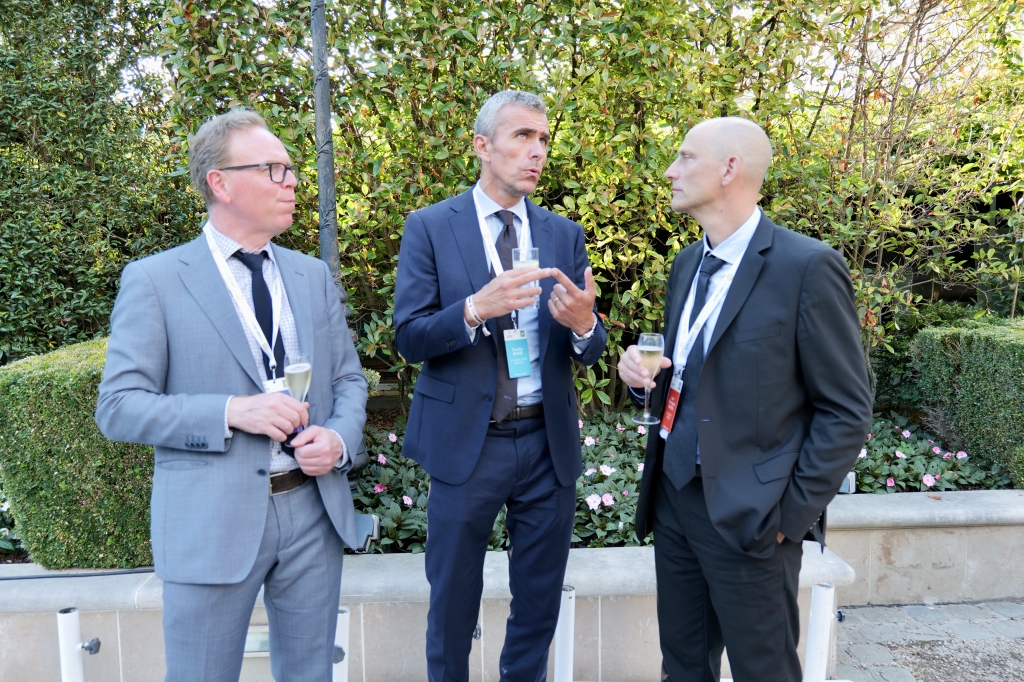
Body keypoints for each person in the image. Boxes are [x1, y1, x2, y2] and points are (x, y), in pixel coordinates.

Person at [95, 108, 367, 682]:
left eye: (290, 168)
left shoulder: (310, 275)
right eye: (273, 169)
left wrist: (339, 440)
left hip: (312, 510)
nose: (292, 181)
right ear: (219, 183)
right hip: (209, 521)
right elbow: (118, 406)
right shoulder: (155, 280)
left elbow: (347, 379)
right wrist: (231, 411)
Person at [617, 117, 872, 682]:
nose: (670, 171)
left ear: (730, 168)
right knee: (683, 668)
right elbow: (693, 378)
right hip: (673, 499)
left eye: (685, 157)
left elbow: (847, 410)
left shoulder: (806, 267)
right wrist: (639, 377)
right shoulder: (688, 264)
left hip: (753, 517)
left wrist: (787, 519)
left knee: (764, 671)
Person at [393, 90, 607, 681]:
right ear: (482, 147)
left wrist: (585, 325)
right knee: (452, 601)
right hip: (469, 442)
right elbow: (409, 338)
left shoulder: (564, 234)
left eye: (543, 139)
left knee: (538, 601)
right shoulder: (430, 227)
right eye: (523, 137)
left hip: (546, 443)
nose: (537, 151)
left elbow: (591, 345)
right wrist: (473, 309)